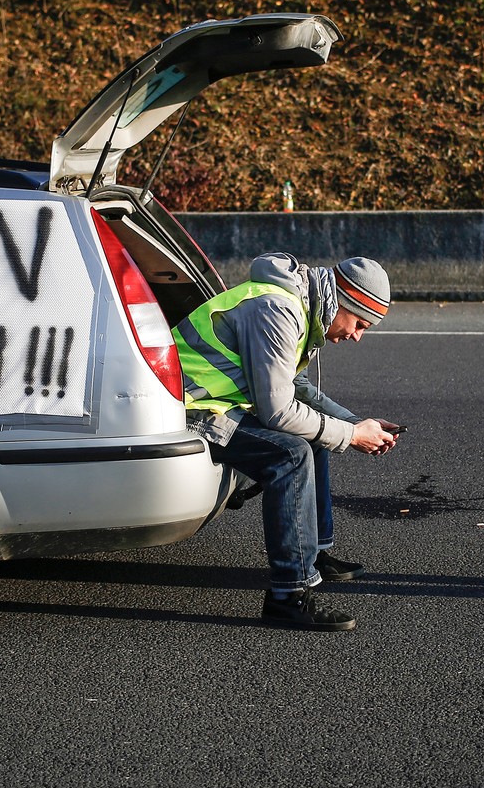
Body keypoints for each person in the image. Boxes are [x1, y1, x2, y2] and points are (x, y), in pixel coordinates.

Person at [172, 252, 402, 631]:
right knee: (292, 455)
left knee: (314, 435)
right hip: (191, 408)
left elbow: (296, 386)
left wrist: (352, 422)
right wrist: (351, 437)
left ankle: (315, 553)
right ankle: (289, 595)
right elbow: (278, 411)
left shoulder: (300, 304)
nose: (357, 336)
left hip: (220, 404)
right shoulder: (277, 310)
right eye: (360, 323)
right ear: (342, 300)